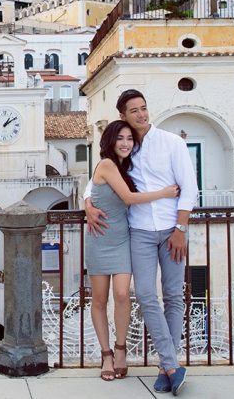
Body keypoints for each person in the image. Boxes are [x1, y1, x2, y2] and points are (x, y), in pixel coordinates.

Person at [87, 89, 197, 395]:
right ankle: (172, 365)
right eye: (134, 110)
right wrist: (87, 203)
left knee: (174, 296)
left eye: (144, 108)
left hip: (172, 230)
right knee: (147, 295)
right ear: (123, 115)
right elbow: (95, 181)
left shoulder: (172, 143)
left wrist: (181, 228)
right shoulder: (124, 148)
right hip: (138, 233)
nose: (141, 114)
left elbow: (189, 188)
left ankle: (167, 367)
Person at [83, 119, 179, 381]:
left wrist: (87, 200)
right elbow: (128, 198)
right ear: (110, 141)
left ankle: (120, 349)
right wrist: (165, 193)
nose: (125, 143)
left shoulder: (128, 166)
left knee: (123, 294)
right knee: (100, 300)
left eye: (129, 139)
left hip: (123, 238)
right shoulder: (106, 164)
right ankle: (106, 355)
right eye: (120, 138)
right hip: (99, 238)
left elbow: (90, 188)